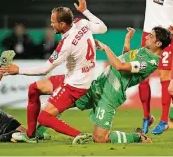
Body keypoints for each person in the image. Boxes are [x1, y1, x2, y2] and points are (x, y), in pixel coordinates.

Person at [23, 27, 171, 144]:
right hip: (96, 86)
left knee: (100, 139)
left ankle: (137, 137)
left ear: (158, 44)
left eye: (151, 36)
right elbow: (126, 57)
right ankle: (37, 133)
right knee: (62, 96)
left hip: (109, 95)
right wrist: (127, 40)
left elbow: (120, 66)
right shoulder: (145, 50)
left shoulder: (151, 62)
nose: (147, 37)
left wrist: (106, 48)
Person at [0, 0, 107, 142]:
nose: (51, 24)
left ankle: (79, 135)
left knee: (44, 117)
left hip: (75, 86)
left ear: (62, 24)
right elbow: (103, 28)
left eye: (53, 22)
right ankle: (31, 135)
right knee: (33, 88)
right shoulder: (81, 23)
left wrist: (19, 70)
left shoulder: (66, 44)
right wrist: (85, 11)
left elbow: (45, 69)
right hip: (73, 78)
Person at [130, 0, 173, 134]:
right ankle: (146, 116)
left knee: (164, 77)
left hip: (166, 38)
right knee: (142, 76)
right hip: (148, 36)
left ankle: (164, 120)